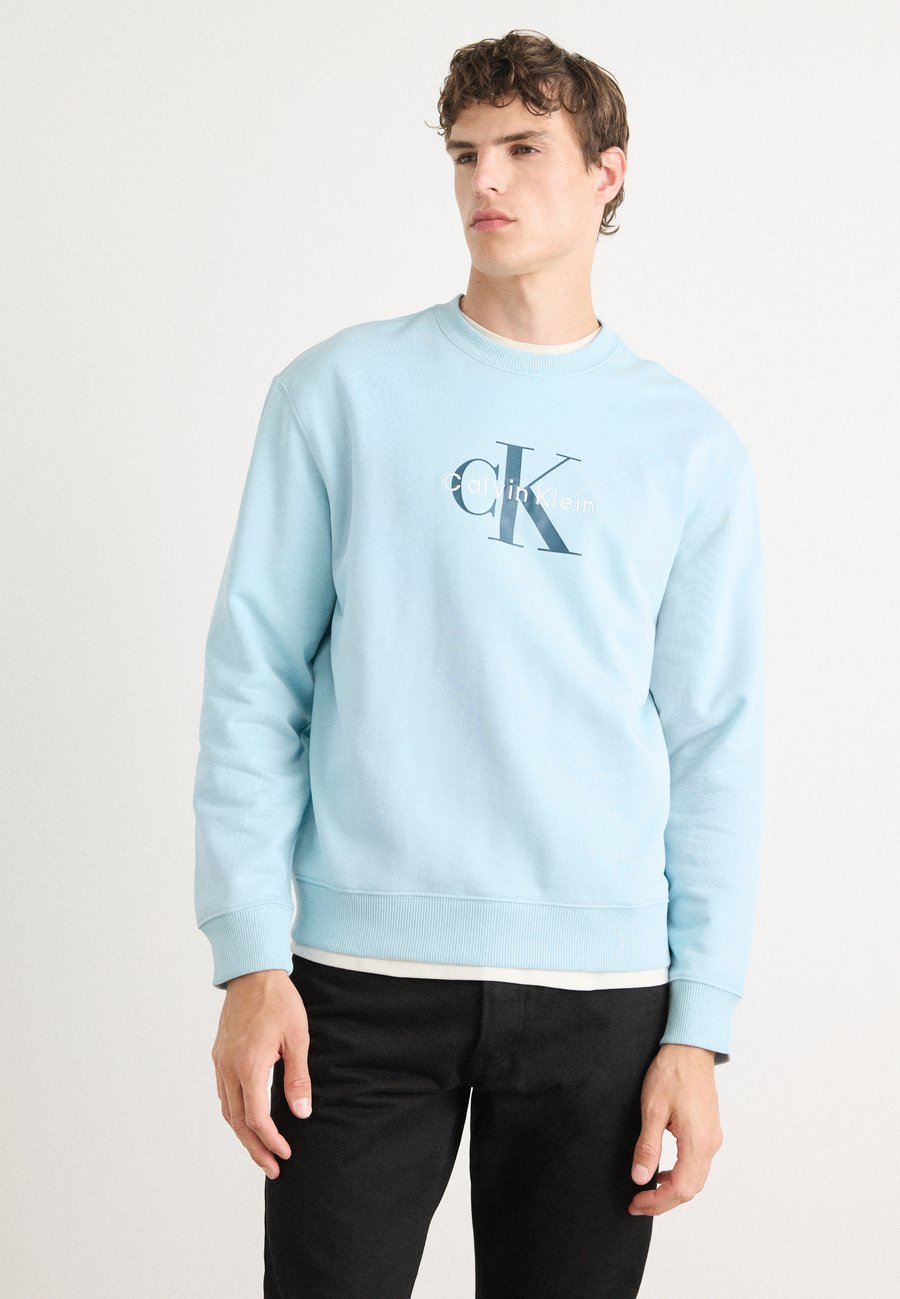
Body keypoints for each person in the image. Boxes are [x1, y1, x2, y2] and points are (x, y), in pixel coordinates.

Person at [193, 28, 765, 1299]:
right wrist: (249, 955)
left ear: (608, 172)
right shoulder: (337, 394)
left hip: (602, 996)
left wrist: (701, 1027)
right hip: (357, 987)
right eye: (464, 153)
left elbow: (714, 740)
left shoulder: (687, 445)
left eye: (523, 148)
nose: (485, 180)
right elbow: (254, 680)